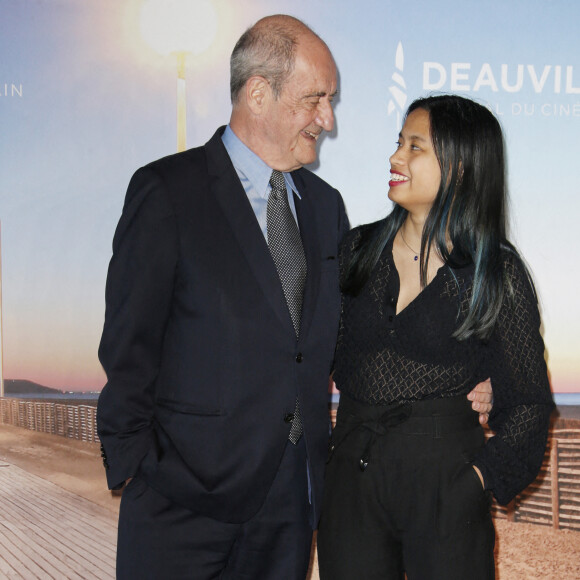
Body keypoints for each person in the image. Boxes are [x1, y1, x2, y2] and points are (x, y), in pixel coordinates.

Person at [97, 15, 492, 579]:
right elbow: (128, 347)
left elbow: (356, 339)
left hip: (291, 508)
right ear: (259, 93)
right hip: (179, 507)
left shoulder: (327, 207)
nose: (328, 120)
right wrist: (136, 466)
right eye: (316, 99)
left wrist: (471, 373)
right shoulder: (166, 192)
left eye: (329, 101)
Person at [317, 95, 554, 579]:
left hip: (448, 480)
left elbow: (528, 400)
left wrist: (476, 479)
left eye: (414, 147)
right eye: (398, 143)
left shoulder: (496, 270)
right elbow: (316, 354)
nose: (395, 157)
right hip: (351, 479)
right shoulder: (356, 250)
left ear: (461, 167)